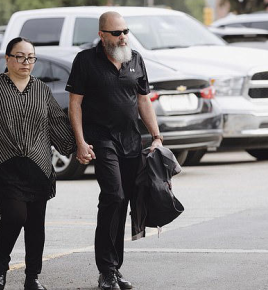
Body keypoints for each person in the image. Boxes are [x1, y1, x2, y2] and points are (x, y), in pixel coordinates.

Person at [0, 37, 75, 290]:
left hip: (38, 167)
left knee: (36, 226)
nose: (26, 62)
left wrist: (79, 146)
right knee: (14, 216)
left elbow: (56, 122)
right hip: (3, 166)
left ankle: (32, 277)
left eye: (30, 57)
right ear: (7, 59)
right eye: (20, 56)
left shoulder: (42, 90)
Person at [65, 11, 164, 290]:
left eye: (125, 32)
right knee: (113, 196)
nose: (123, 37)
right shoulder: (85, 61)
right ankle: (106, 270)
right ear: (102, 36)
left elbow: (143, 100)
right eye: (116, 33)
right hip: (102, 139)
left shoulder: (135, 58)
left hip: (132, 141)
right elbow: (75, 104)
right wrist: (81, 142)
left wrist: (156, 136)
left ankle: (115, 269)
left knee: (125, 202)